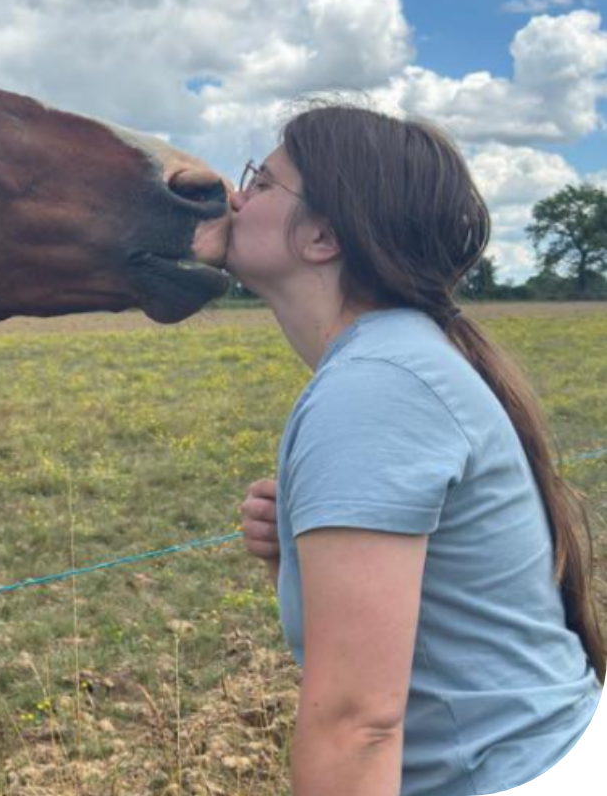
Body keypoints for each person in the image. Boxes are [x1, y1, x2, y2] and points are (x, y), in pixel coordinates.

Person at [230, 102, 602, 796]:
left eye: (261, 182)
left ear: (321, 236)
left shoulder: (376, 387)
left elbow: (357, 725)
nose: (235, 195)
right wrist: (301, 554)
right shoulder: (397, 361)